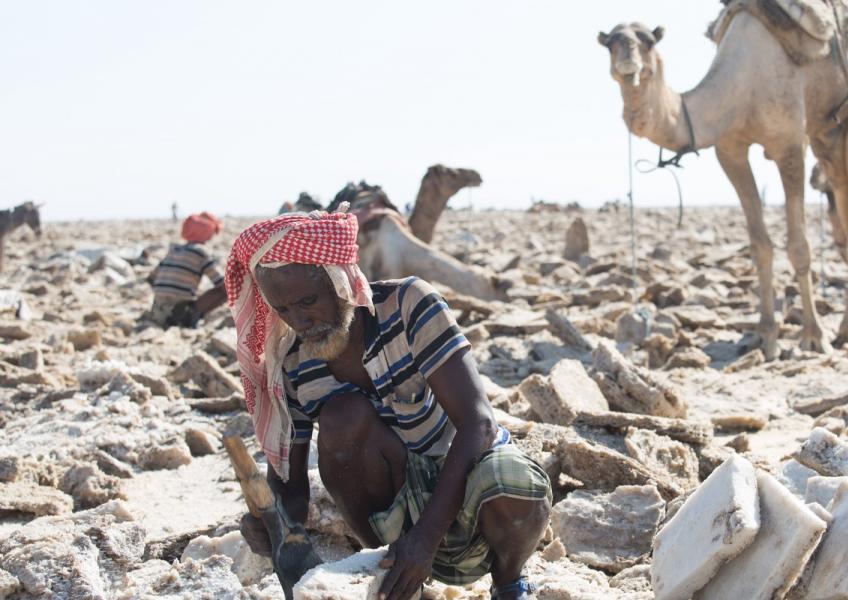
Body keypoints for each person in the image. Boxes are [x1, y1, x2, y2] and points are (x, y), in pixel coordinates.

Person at [227, 209, 549, 600]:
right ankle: (382, 570)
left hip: (462, 486)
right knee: (342, 416)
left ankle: (508, 582)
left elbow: (478, 424)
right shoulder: (293, 361)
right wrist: (271, 523)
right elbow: (292, 490)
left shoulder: (408, 304)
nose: (299, 320)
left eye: (308, 301)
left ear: (340, 280)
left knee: (516, 484)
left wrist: (426, 539)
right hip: (390, 517)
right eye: (283, 310)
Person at [146, 212, 226, 327]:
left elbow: (151, 279)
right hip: (177, 314)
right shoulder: (201, 252)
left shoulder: (174, 250)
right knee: (228, 291)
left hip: (157, 311)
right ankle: (192, 318)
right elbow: (221, 283)